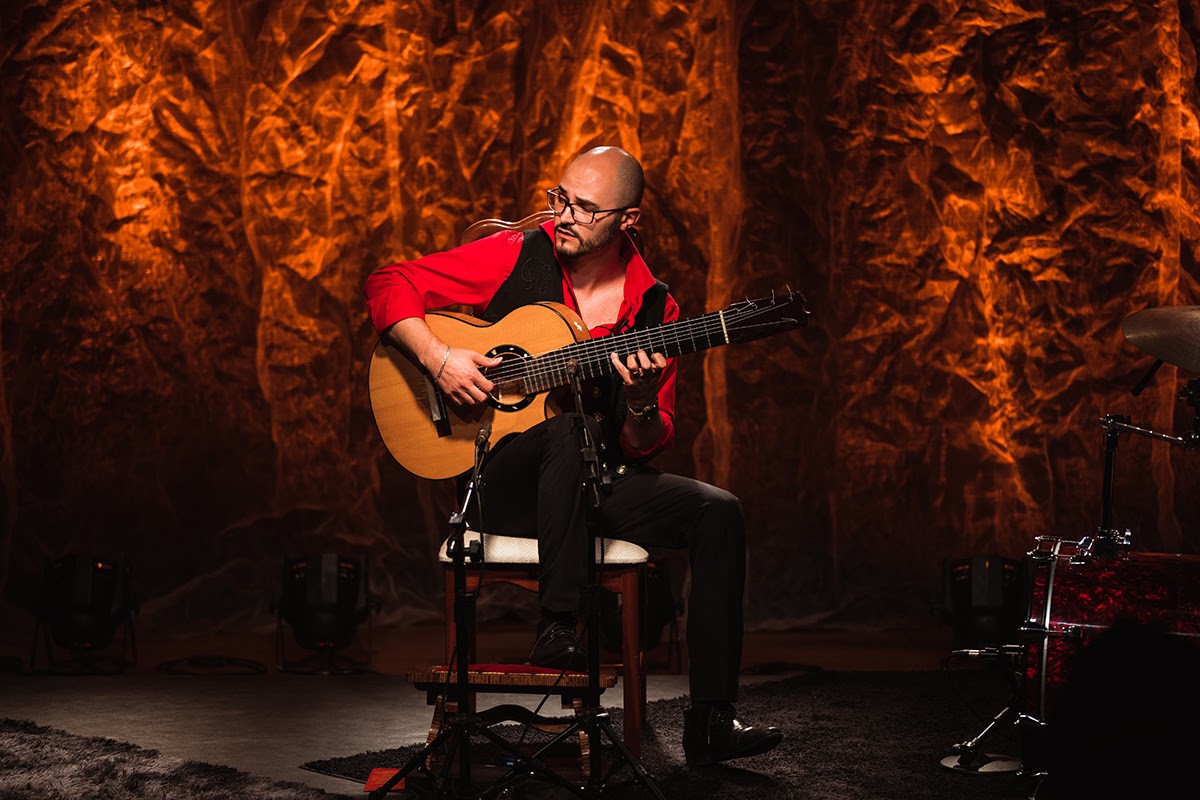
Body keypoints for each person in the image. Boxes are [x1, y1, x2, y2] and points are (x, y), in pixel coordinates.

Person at [363, 145, 782, 767]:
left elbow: (647, 440)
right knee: (567, 430)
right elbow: (389, 281)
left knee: (717, 512)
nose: (562, 216)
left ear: (628, 220)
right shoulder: (517, 252)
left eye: (584, 209)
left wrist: (638, 402)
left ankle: (712, 721)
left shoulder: (652, 308)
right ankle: (559, 626)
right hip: (500, 483)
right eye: (560, 198)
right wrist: (441, 358)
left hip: (593, 482)